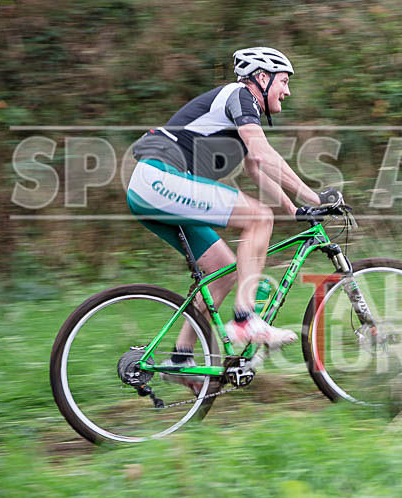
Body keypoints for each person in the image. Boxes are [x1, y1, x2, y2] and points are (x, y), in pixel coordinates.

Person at [126, 47, 321, 390]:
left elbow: (257, 168)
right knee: (259, 217)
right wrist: (314, 196)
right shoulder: (239, 96)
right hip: (159, 178)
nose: (287, 91)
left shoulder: (242, 116)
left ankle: (181, 358)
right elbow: (264, 154)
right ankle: (245, 318)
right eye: (284, 81)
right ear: (262, 77)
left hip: (154, 188)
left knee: (223, 270)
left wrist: (294, 210)